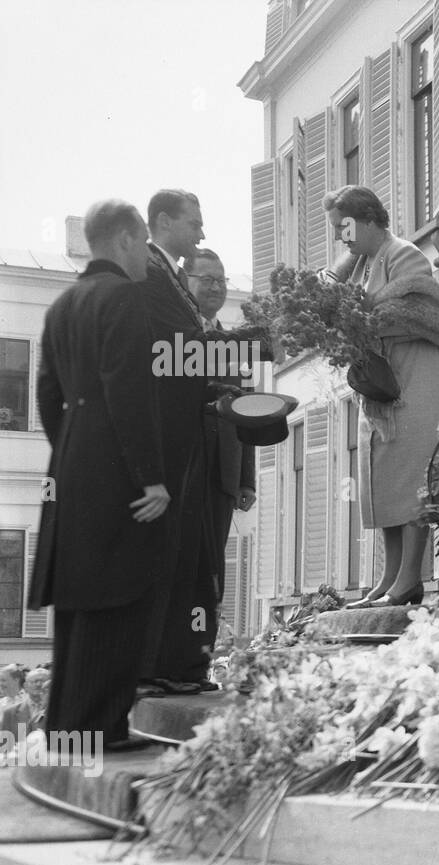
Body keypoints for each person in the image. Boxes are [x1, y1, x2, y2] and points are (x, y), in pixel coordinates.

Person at [28, 199, 169, 748]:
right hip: (117, 470)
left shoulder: (62, 305)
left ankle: (69, 732)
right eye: (144, 249)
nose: (148, 263)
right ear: (127, 240)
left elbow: (46, 396)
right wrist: (151, 476)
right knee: (120, 597)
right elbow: (128, 391)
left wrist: (73, 450)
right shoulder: (125, 300)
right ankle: (101, 731)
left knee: (79, 606)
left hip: (70, 463)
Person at [324, 185, 439, 606]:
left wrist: (361, 320)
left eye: (343, 227)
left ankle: (409, 579)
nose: (339, 237)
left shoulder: (404, 254)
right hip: (384, 388)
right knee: (384, 481)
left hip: (414, 385)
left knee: (414, 480)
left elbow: (427, 319)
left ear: (366, 219)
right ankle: (389, 578)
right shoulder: (365, 261)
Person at [137, 190, 218, 694]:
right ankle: (158, 667)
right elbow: (180, 351)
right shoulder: (150, 270)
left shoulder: (163, 270)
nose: (201, 234)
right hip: (165, 435)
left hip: (180, 431)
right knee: (168, 556)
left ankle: (173, 666)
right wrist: (263, 343)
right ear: (164, 222)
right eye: (195, 223)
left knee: (185, 556)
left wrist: (218, 389)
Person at [184, 248, 256, 682]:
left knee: (212, 569)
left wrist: (246, 477)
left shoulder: (234, 345)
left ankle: (201, 660)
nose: (214, 287)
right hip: (186, 467)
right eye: (205, 278)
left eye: (220, 279)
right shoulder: (177, 338)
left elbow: (248, 410)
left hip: (224, 473)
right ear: (186, 282)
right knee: (183, 566)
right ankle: (178, 660)